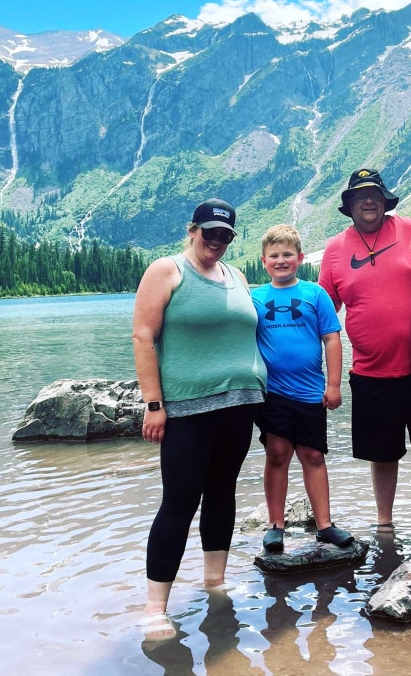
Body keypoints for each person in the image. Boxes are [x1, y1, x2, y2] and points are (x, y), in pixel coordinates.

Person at [132, 198, 267, 639]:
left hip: (239, 403)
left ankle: (214, 582)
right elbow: (143, 336)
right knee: (179, 503)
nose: (217, 241)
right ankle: (155, 608)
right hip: (188, 407)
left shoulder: (237, 276)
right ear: (192, 229)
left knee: (222, 493)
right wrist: (154, 404)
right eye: (210, 232)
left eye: (225, 234)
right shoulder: (167, 270)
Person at [318, 169, 411, 530]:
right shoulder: (334, 250)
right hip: (370, 372)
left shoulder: (410, 230)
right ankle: (385, 524)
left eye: (374, 194)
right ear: (350, 205)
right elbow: (325, 314)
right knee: (382, 454)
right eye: (360, 197)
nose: (369, 201)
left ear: (385, 198)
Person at [251, 224, 353, 552]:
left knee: (312, 454)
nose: (281, 261)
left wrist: (333, 384)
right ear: (264, 261)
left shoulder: (315, 294)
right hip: (273, 393)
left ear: (300, 258)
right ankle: (276, 525)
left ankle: (324, 525)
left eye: (287, 255)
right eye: (274, 256)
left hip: (310, 391)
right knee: (277, 454)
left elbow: (331, 339)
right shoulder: (255, 297)